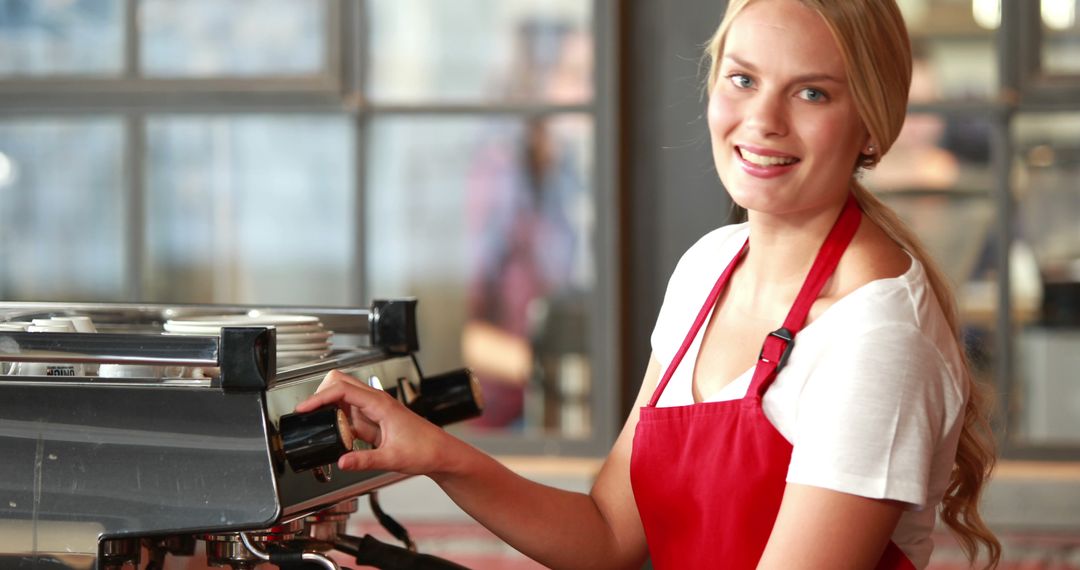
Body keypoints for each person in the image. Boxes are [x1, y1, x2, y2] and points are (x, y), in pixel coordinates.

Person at [295, 0, 1001, 568]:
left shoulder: (875, 338)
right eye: (743, 78)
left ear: (872, 126)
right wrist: (436, 454)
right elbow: (607, 535)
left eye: (812, 92)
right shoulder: (710, 267)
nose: (762, 120)